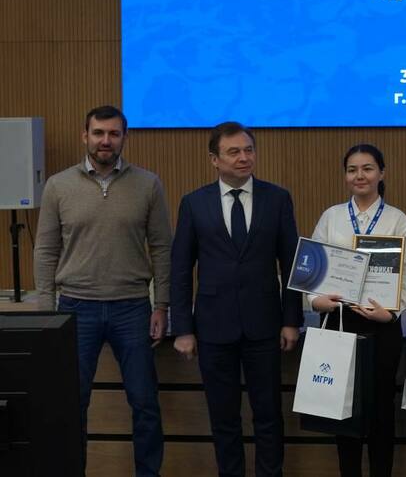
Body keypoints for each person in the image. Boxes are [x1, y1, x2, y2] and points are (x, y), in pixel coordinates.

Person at [33, 105, 171, 477]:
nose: (105, 140)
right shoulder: (58, 185)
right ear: (85, 136)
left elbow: (162, 247)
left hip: (133, 309)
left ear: (124, 138)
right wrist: (46, 308)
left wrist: (162, 305)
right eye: (98, 133)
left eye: (113, 133)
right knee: (71, 403)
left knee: (144, 403)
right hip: (75, 309)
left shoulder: (148, 184)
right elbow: (45, 250)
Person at [170, 121, 303, 477]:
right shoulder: (194, 203)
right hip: (213, 328)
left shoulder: (277, 198)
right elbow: (180, 269)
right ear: (214, 159)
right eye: (234, 152)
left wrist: (291, 320)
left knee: (269, 416)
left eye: (248, 150)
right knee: (224, 418)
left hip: (265, 326)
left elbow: (291, 263)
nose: (244, 158)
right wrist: (182, 328)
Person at [307, 144, 406, 476]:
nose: (360, 175)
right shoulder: (331, 217)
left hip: (382, 325)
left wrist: (392, 313)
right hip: (340, 322)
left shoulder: (397, 219)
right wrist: (315, 301)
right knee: (344, 411)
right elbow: (312, 269)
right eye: (352, 169)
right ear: (345, 176)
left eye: (368, 168)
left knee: (382, 411)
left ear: (381, 173)